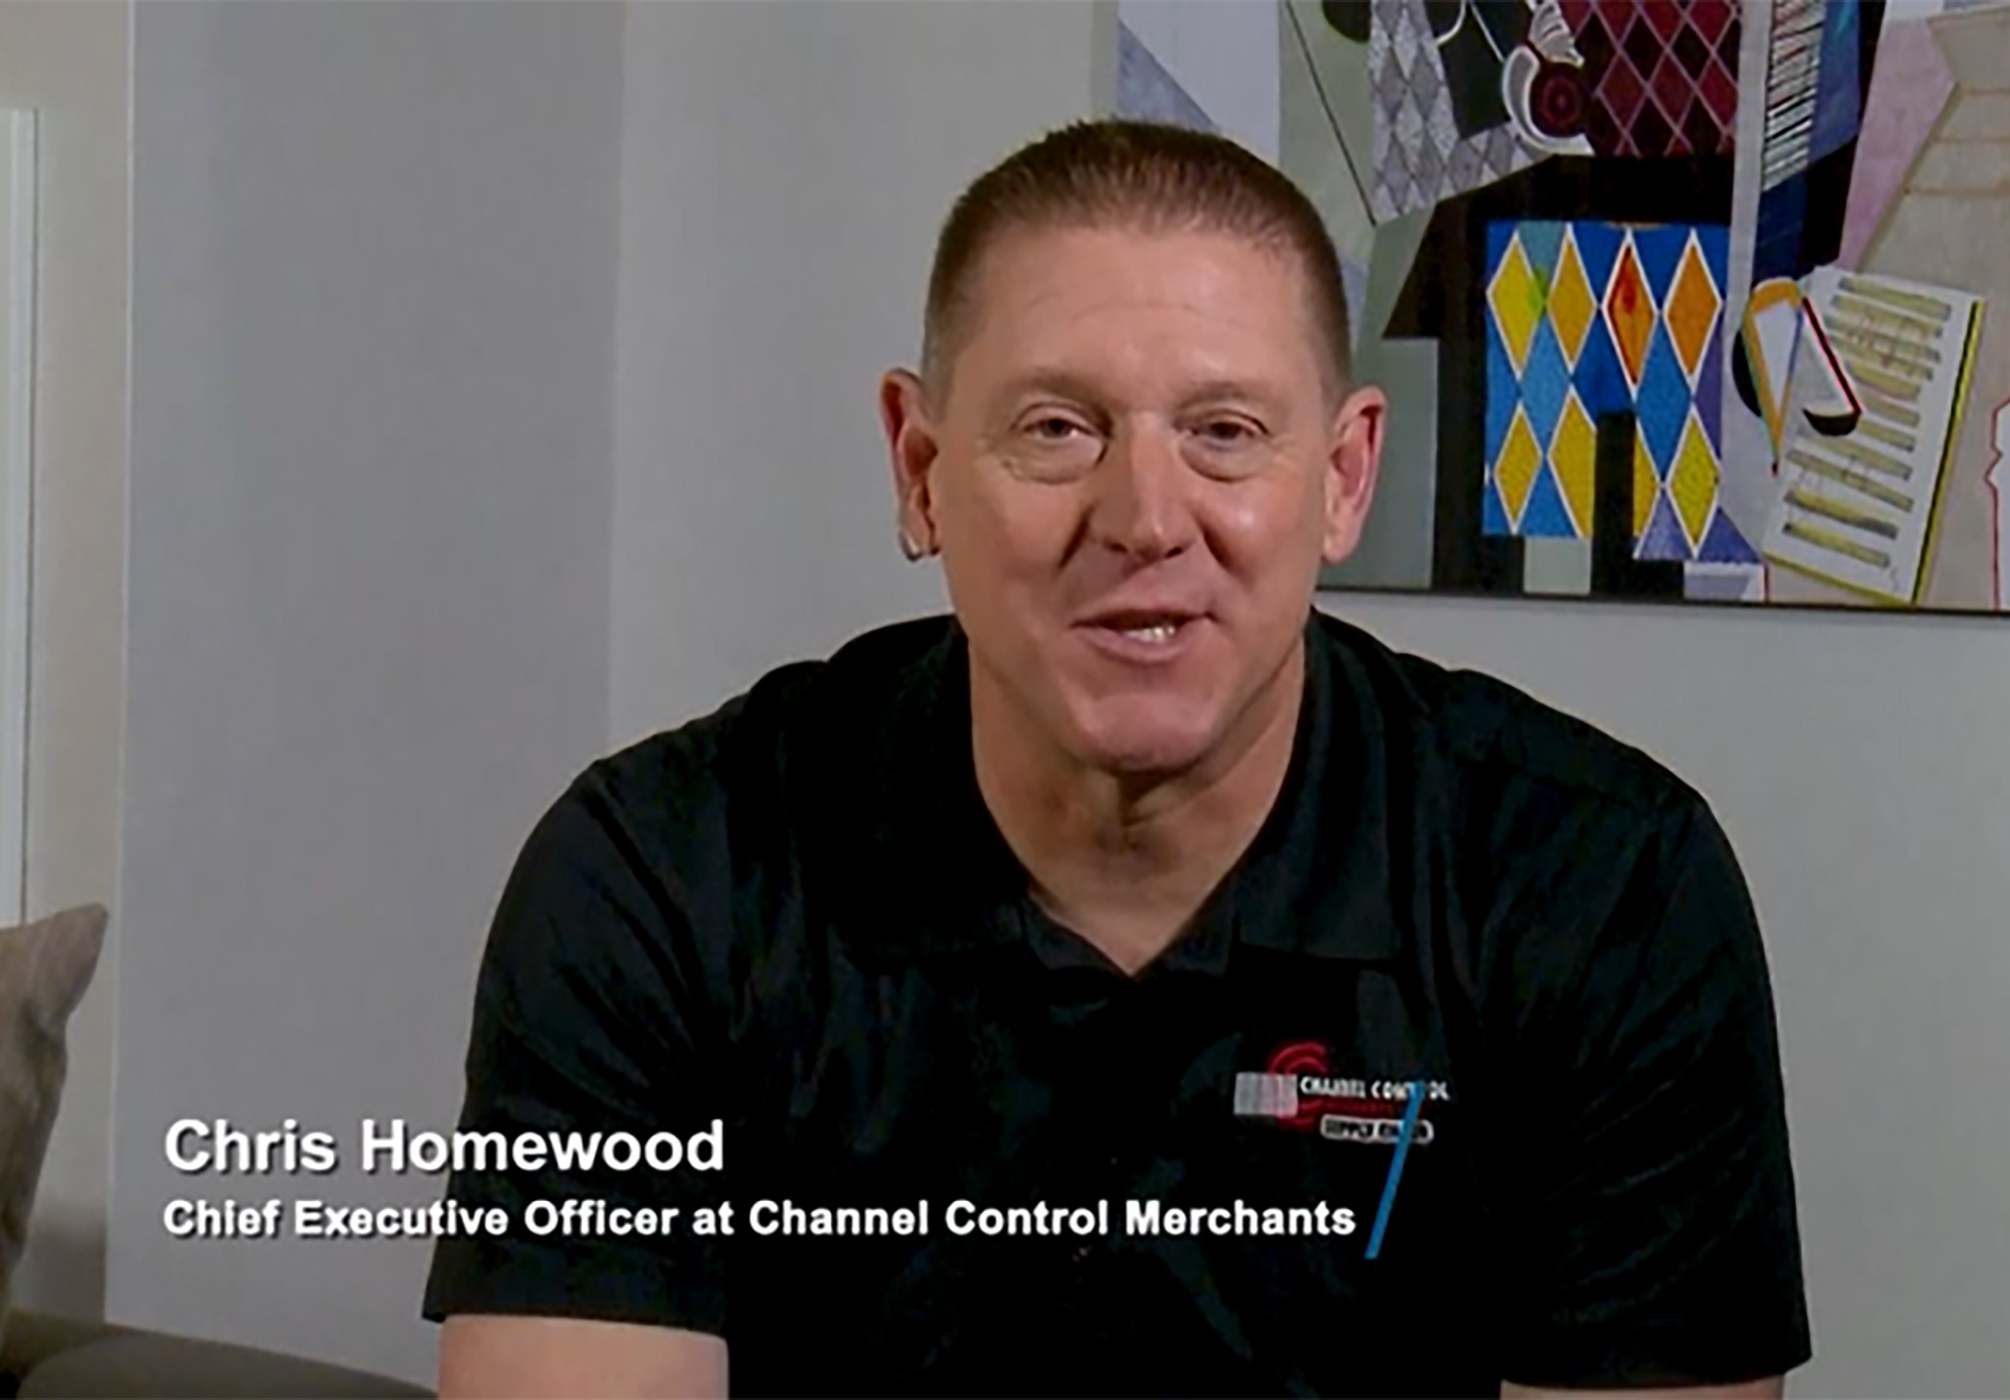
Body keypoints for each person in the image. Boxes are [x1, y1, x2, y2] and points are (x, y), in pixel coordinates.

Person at [423, 119, 1810, 1397]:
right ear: (919, 467)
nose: (1145, 518)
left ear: (1342, 478)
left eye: (1224, 433)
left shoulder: (1602, 891)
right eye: (1057, 428)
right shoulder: (661, 880)